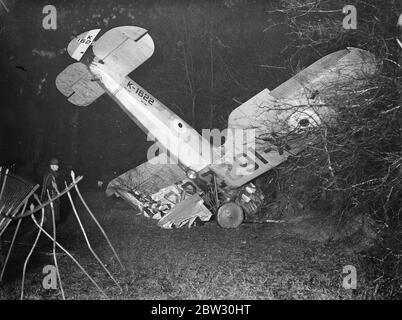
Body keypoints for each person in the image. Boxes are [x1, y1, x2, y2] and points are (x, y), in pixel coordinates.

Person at [41, 157, 61, 228]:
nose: (58, 166)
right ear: (52, 166)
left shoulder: (52, 174)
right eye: (56, 165)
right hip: (50, 199)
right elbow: (47, 186)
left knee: (53, 216)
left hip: (52, 198)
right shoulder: (49, 174)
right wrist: (54, 188)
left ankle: (51, 232)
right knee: (50, 216)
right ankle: (49, 234)